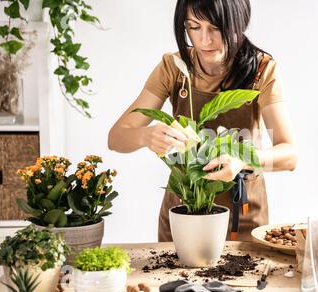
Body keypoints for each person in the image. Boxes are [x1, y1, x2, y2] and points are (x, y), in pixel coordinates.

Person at [108, 0, 298, 242]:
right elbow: (115, 138)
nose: (204, 40)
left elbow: (290, 156)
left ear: (238, 22)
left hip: (241, 220)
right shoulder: (173, 68)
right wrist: (146, 136)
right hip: (182, 215)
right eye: (194, 27)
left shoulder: (261, 70)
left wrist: (243, 160)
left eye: (215, 27)